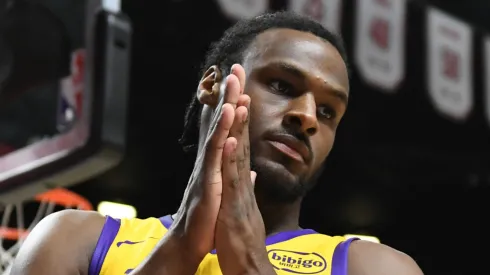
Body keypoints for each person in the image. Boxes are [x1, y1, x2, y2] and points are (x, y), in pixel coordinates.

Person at [11, 11, 423, 275]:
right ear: (212, 85)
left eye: (330, 111)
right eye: (282, 84)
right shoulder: (74, 239)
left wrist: (249, 264)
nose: (308, 117)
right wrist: (179, 251)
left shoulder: (375, 267)